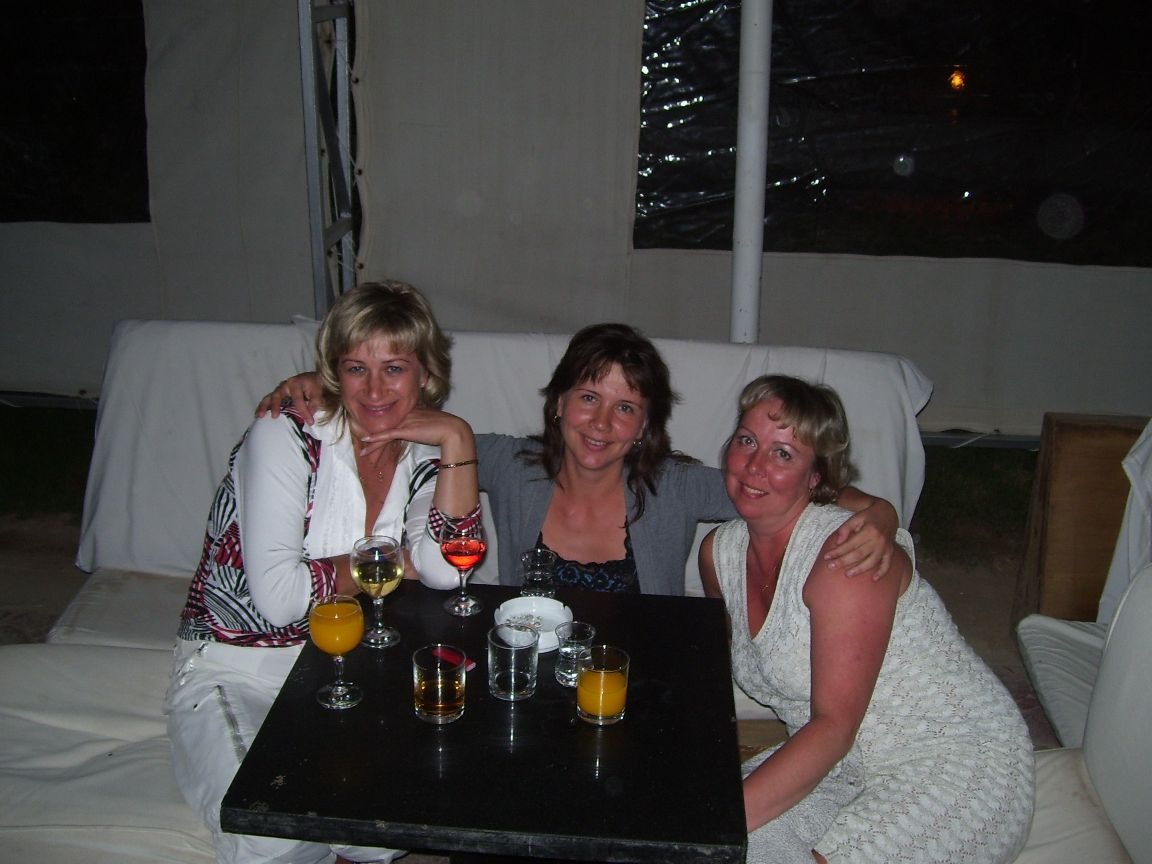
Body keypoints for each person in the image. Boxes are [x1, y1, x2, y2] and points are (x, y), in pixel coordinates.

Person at [166, 281, 480, 864]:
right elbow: (281, 598)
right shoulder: (286, 434)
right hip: (236, 667)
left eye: (394, 368)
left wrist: (456, 435)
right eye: (356, 368)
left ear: (426, 374)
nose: (375, 390)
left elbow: (442, 568)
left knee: (380, 838)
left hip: (340, 673)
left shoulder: (423, 457)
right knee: (271, 834)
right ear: (334, 371)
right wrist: (389, 560)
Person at [260, 323, 899, 595]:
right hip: (529, 679)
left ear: (644, 425)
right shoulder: (510, 464)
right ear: (559, 401)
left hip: (638, 687)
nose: (600, 423)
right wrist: (322, 387)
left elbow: (780, 488)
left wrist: (881, 514)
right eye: (589, 397)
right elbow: (394, 410)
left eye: (625, 408)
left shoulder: (674, 486)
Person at [699, 375, 1034, 863]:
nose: (755, 466)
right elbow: (712, 679)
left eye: (783, 454)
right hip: (834, 764)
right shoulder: (720, 554)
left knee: (711, 836)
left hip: (949, 760)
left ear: (816, 478)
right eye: (747, 441)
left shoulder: (846, 554)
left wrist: (714, 826)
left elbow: (834, 726)